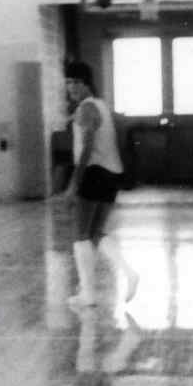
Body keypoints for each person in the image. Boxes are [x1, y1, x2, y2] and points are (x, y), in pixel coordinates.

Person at [64, 61, 138, 313]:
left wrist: (73, 184)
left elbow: (86, 148)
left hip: (93, 173)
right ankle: (129, 273)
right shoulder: (101, 105)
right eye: (68, 82)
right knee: (95, 233)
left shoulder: (85, 108)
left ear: (86, 83)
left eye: (76, 82)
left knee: (80, 235)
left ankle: (88, 294)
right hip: (112, 174)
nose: (71, 87)